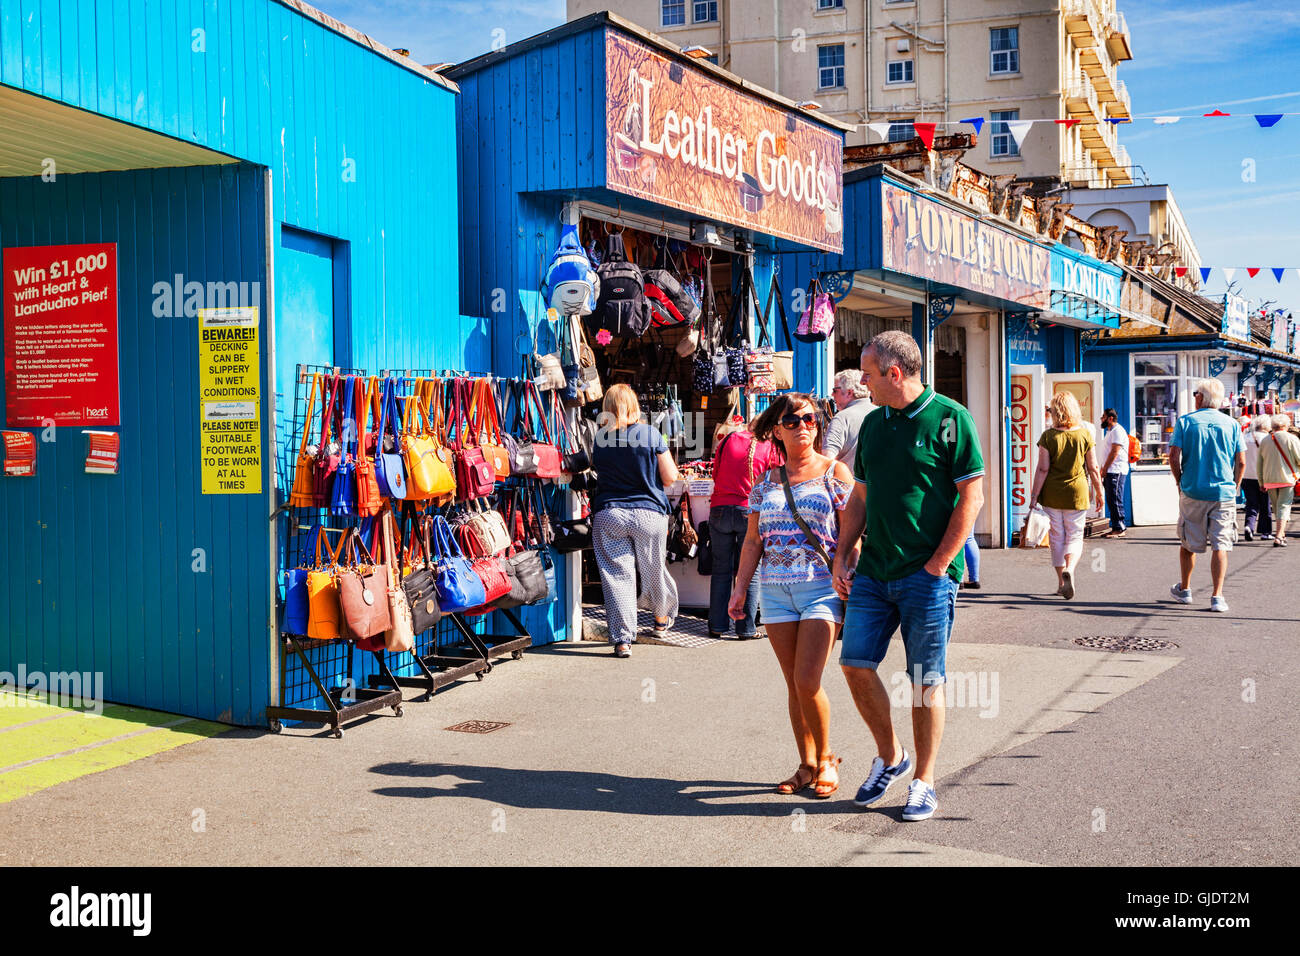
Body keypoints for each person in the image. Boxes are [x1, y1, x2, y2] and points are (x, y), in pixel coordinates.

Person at [831, 331, 984, 823]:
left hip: (928, 575)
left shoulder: (951, 419)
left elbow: (972, 498)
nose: (863, 383)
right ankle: (891, 755)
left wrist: (940, 564)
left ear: (893, 373)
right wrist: (843, 552)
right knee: (854, 663)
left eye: (869, 375)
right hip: (875, 569)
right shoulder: (873, 424)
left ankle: (924, 780)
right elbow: (860, 496)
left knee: (923, 681)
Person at [728, 393, 855, 799]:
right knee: (793, 684)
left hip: (821, 589)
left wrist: (846, 567)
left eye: (810, 419)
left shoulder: (836, 473)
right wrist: (739, 588)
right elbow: (752, 541)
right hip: (775, 591)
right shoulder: (766, 481)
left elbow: (852, 535)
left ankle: (827, 759)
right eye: (792, 420)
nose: (803, 426)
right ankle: (805, 763)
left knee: (808, 679)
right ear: (777, 430)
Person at [591, 384, 680, 658]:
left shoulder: (600, 438)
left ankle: (622, 640)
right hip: (648, 513)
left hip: (610, 514)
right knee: (653, 568)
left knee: (618, 577)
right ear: (633, 406)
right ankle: (661, 620)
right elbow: (670, 478)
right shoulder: (650, 433)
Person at [1168, 379, 1245, 613]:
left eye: (1195, 394)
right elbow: (1240, 461)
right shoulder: (1232, 424)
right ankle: (1217, 596)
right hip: (1223, 492)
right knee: (1220, 545)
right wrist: (1235, 486)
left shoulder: (1186, 422)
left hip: (1192, 490)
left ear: (1200, 397)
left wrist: (1179, 481)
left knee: (1188, 543)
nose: (1194, 397)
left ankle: (1185, 589)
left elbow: (1173, 455)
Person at [1025, 392, 1103, 600]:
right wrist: (1099, 491)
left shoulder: (1048, 437)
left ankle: (1061, 582)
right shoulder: (1085, 435)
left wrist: (1034, 497)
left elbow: (1042, 469)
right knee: (1075, 535)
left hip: (1052, 494)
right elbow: (1093, 467)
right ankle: (1070, 568)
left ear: (1055, 412)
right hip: (1077, 493)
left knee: (1057, 537)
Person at [707, 417, 778, 639]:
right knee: (750, 571)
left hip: (720, 508)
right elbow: (776, 483)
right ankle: (746, 628)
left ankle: (716, 626)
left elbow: (715, 473)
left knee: (721, 570)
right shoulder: (770, 448)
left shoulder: (728, 440)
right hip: (749, 511)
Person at [1257, 413, 1300, 547]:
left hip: (1269, 479)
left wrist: (1261, 482)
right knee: (1284, 506)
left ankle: (1282, 534)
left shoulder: (1265, 440)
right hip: (1287, 478)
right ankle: (1279, 536)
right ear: (1286, 425)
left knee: (1277, 508)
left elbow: (1260, 463)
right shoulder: (1292, 439)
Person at [822, 369, 875, 465]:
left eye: (835, 391)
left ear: (849, 393)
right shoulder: (882, 414)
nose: (832, 395)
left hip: (848, 479)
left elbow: (827, 460)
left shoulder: (841, 418)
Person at [1097, 408, 1131, 538]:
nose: (1101, 419)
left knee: (1115, 499)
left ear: (1110, 418)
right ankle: (1115, 526)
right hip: (1111, 470)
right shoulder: (1110, 431)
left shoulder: (1117, 431)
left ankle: (1119, 528)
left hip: (1116, 470)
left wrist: (1105, 468)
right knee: (1111, 499)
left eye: (1103, 417)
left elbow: (1114, 452)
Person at [1241, 415, 1274, 541]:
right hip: (1263, 476)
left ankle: (1249, 526)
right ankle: (1265, 532)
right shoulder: (1268, 439)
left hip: (1246, 476)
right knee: (1265, 505)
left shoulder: (1245, 437)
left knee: (1251, 504)